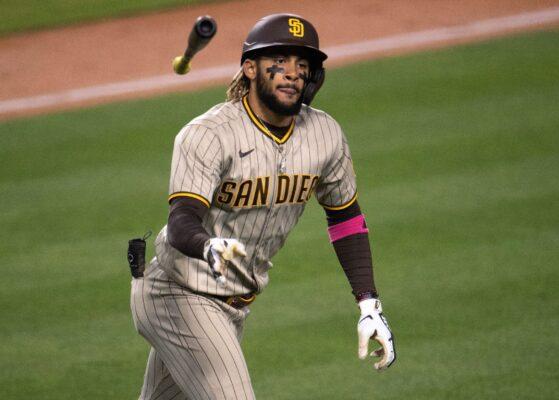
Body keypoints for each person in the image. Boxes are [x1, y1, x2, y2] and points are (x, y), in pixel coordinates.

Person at [130, 13, 395, 400]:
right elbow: (183, 217)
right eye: (280, 62)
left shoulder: (325, 135)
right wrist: (208, 246)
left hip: (231, 308)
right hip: (176, 293)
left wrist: (368, 303)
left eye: (302, 65)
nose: (292, 73)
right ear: (250, 69)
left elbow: (345, 218)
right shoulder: (208, 134)